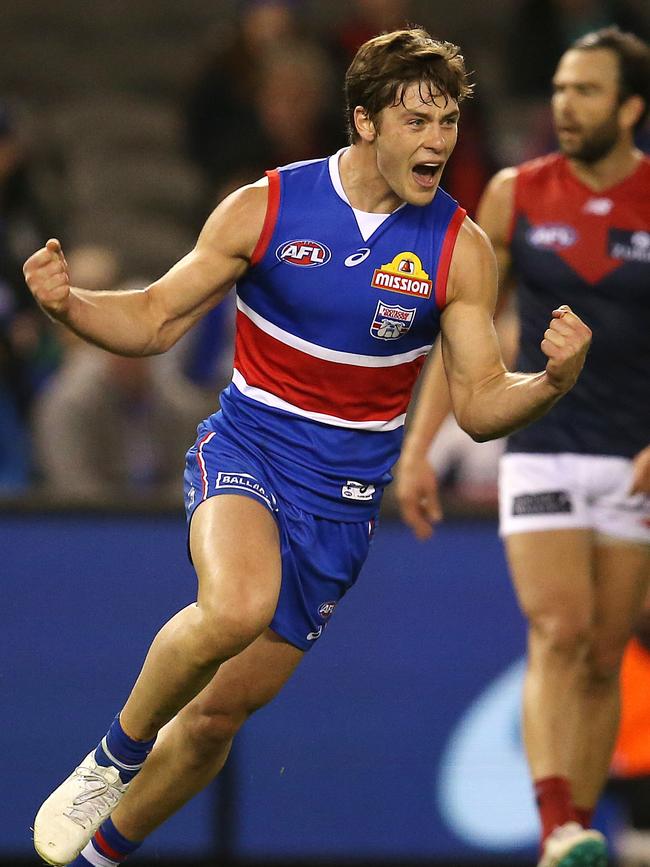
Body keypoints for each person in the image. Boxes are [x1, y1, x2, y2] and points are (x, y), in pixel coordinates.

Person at [23, 28, 591, 867]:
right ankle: (116, 751)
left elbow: (475, 404)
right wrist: (72, 306)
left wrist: (548, 382)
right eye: (418, 121)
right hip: (247, 450)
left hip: (342, 508)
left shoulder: (459, 248)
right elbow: (153, 318)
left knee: (217, 717)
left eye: (449, 123)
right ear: (364, 121)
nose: (438, 141)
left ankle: (103, 854)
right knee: (236, 604)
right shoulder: (267, 205)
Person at [397, 26, 650, 867]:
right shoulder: (515, 193)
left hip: (633, 456)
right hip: (541, 441)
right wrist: (418, 451)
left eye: (586, 90)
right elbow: (462, 333)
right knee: (557, 628)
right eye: (560, 88)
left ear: (632, 106)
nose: (564, 105)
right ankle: (557, 828)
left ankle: (573, 828)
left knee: (604, 654)